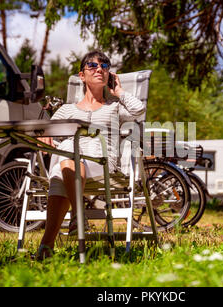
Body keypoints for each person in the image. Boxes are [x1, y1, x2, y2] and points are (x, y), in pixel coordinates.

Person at [35, 50, 145, 259]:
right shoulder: (66, 110)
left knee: (65, 156)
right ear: (81, 76)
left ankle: (69, 223)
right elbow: (47, 137)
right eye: (92, 66)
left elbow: (139, 111)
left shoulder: (114, 107)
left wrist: (119, 91)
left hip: (102, 163)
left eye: (104, 67)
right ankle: (49, 246)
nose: (99, 69)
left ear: (109, 76)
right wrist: (44, 136)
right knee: (62, 167)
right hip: (70, 164)